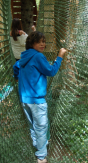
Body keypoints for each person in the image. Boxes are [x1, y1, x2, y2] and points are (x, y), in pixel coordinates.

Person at [13, 31, 67, 163]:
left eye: (44, 41)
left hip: (25, 99)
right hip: (37, 101)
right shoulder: (38, 56)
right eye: (39, 41)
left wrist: (16, 78)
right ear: (32, 43)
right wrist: (59, 56)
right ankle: (41, 156)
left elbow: (16, 67)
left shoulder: (24, 56)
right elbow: (51, 71)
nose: (43, 44)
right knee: (41, 127)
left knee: (33, 126)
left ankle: (37, 146)